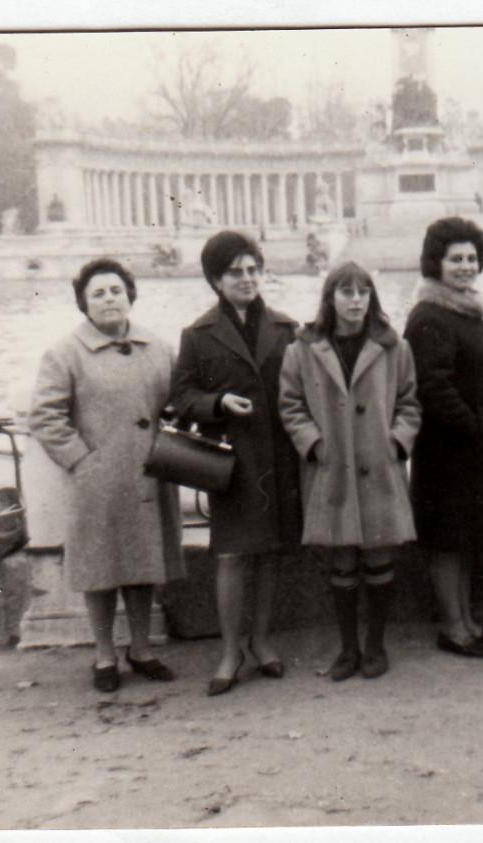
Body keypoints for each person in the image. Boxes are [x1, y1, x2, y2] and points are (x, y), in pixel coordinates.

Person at [29, 258, 184, 693]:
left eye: (116, 290)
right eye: (98, 293)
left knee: (141, 564)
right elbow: (44, 416)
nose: (109, 299)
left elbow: (174, 401)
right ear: (83, 303)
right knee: (100, 569)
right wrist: (81, 460)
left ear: (130, 295)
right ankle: (103, 655)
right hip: (97, 479)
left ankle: (141, 649)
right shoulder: (65, 353)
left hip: (149, 476)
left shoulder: (156, 346)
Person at [170, 231, 302, 696]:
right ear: (215, 280)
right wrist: (218, 403)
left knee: (269, 554)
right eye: (235, 272)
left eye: (253, 270)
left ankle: (261, 641)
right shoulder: (198, 335)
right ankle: (231, 650)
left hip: (280, 460)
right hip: (233, 462)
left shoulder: (288, 329)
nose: (247, 279)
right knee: (229, 555)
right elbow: (180, 398)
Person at [278, 262, 421, 680]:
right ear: (330, 298)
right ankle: (347, 648)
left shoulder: (395, 347)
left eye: (363, 292)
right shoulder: (303, 349)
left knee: (379, 556)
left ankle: (375, 645)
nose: (356, 300)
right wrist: (314, 444)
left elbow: (410, 402)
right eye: (346, 292)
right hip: (332, 468)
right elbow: (291, 405)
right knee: (341, 560)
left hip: (378, 467)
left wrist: (396, 441)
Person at [404, 217, 483, 658]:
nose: (465, 266)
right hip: (449, 449)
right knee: (447, 541)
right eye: (455, 259)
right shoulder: (431, 314)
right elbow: (432, 385)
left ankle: (468, 622)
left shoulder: (458, 308)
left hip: (468, 447)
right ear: (435, 263)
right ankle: (454, 627)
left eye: (471, 258)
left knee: (462, 539)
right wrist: (474, 427)